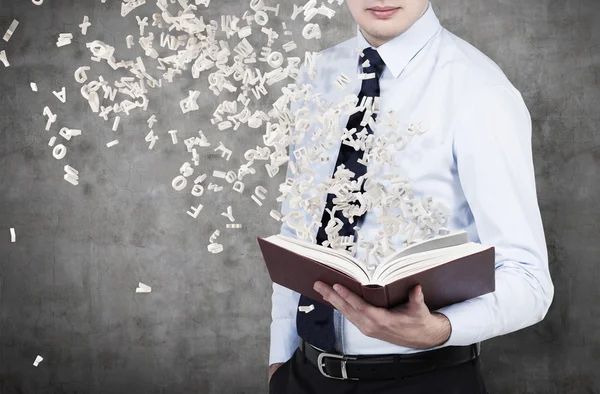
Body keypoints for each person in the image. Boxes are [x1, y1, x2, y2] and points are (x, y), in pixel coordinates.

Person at [267, 1, 555, 393]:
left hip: (424, 378)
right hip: (304, 375)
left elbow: (530, 279)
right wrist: (279, 361)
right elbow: (298, 228)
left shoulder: (479, 90)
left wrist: (440, 329)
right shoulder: (316, 74)